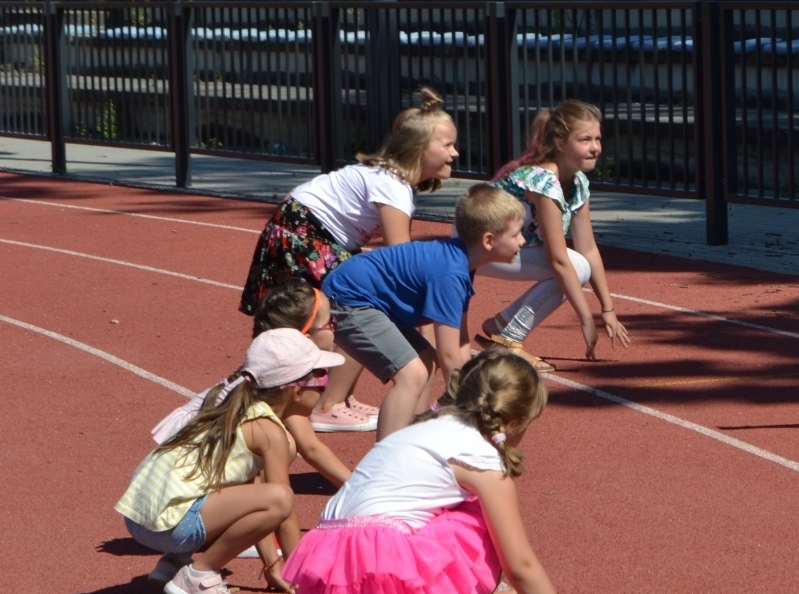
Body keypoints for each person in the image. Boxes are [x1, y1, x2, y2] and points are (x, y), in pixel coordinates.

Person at [283, 349, 623, 594]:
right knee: (480, 521)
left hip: (331, 570)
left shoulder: (423, 428)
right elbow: (520, 564)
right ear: (515, 422)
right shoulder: (480, 458)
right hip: (373, 565)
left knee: (454, 509)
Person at [239, 87, 459, 433]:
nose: (455, 153)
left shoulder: (392, 180)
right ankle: (327, 404)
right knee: (352, 306)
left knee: (355, 302)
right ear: (419, 148)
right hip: (305, 233)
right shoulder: (393, 186)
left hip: (310, 229)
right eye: (447, 145)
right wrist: (428, 325)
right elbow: (403, 264)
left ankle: (336, 398)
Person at [115, 329, 344, 594]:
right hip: (171, 527)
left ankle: (174, 562)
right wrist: (303, 576)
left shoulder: (231, 406)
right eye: (322, 379)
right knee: (281, 497)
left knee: (249, 493)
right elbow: (281, 510)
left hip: (139, 519)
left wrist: (272, 565)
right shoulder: (268, 431)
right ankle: (198, 576)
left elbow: (253, 499)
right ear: (296, 390)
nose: (325, 387)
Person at [319, 183, 527, 440]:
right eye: (516, 234)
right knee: (412, 374)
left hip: (364, 295)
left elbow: (460, 341)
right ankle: (388, 455)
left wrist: (467, 390)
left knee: (426, 360)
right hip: (348, 299)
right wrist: (471, 406)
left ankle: (412, 439)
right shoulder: (450, 274)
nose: (522, 241)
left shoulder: (462, 264)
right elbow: (449, 355)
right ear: (488, 240)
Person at [152, 281, 355, 489]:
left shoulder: (269, 371)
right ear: (305, 338)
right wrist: (357, 489)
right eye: (330, 322)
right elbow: (311, 449)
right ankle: (244, 495)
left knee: (275, 441)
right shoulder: (287, 382)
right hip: (187, 471)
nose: (334, 326)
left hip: (180, 463)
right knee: (284, 444)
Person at [476, 101, 631, 371]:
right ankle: (509, 339)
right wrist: (585, 317)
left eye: (597, 139)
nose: (595, 147)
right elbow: (558, 259)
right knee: (573, 267)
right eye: (585, 139)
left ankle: (501, 325)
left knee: (580, 264)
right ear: (560, 143)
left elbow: (588, 248)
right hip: (478, 246)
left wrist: (608, 309)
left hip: (510, 248)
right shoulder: (544, 181)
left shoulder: (578, 183)